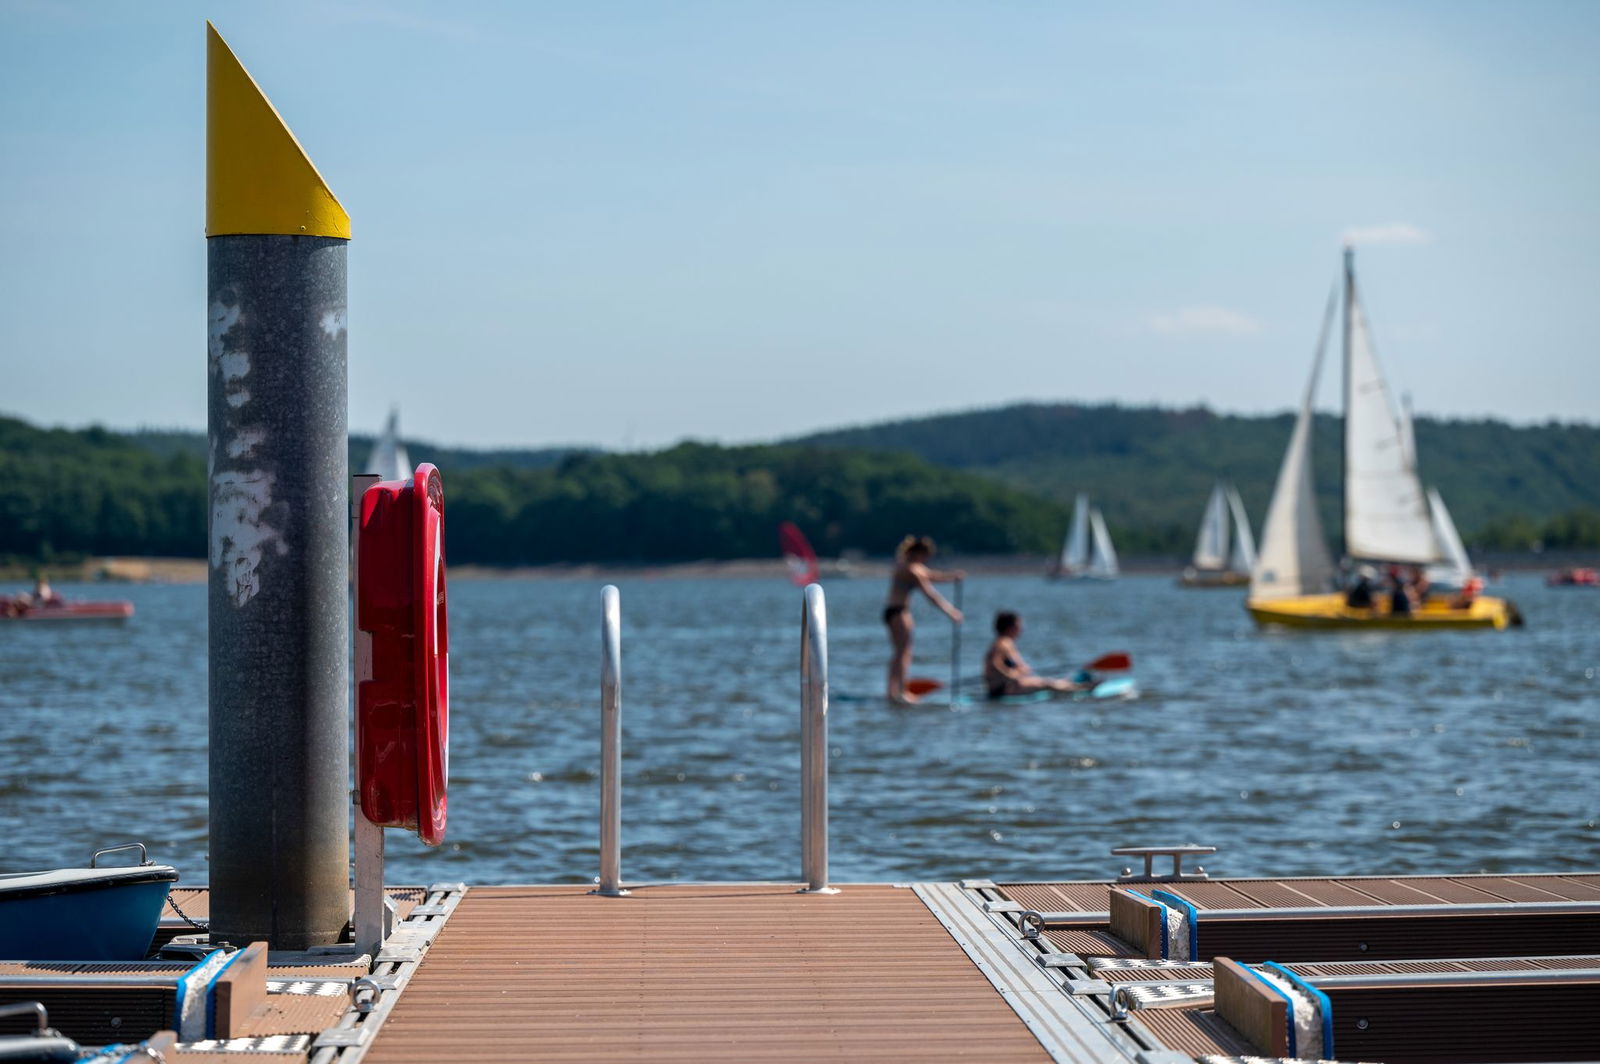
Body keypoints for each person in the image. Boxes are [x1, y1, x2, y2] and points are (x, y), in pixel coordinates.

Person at [883, 535, 963, 703]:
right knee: (904, 653)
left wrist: (952, 576)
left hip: (892, 612)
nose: (927, 559)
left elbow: (932, 575)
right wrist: (951, 612)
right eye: (926, 556)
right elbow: (930, 595)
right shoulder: (911, 570)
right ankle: (902, 692)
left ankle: (891, 692)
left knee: (899, 652)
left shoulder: (908, 566)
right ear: (919, 553)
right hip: (899, 613)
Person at [983, 611, 1085, 699]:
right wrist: (1013, 675)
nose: (1021, 629)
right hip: (1004, 689)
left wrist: (1019, 672)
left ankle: (1069, 684)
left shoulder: (1002, 642)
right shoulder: (1003, 643)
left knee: (1047, 681)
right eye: (1018, 625)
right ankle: (1079, 688)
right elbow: (995, 663)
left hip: (1008, 686)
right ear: (1009, 627)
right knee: (1047, 684)